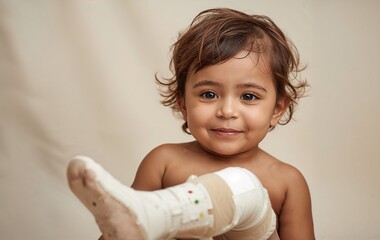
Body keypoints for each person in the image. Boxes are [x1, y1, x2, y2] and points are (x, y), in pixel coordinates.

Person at [67, 7, 314, 240]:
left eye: (248, 96)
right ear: (183, 103)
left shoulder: (287, 181)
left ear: (278, 109)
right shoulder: (164, 162)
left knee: (245, 186)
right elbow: (117, 227)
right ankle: (152, 217)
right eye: (209, 94)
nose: (227, 111)